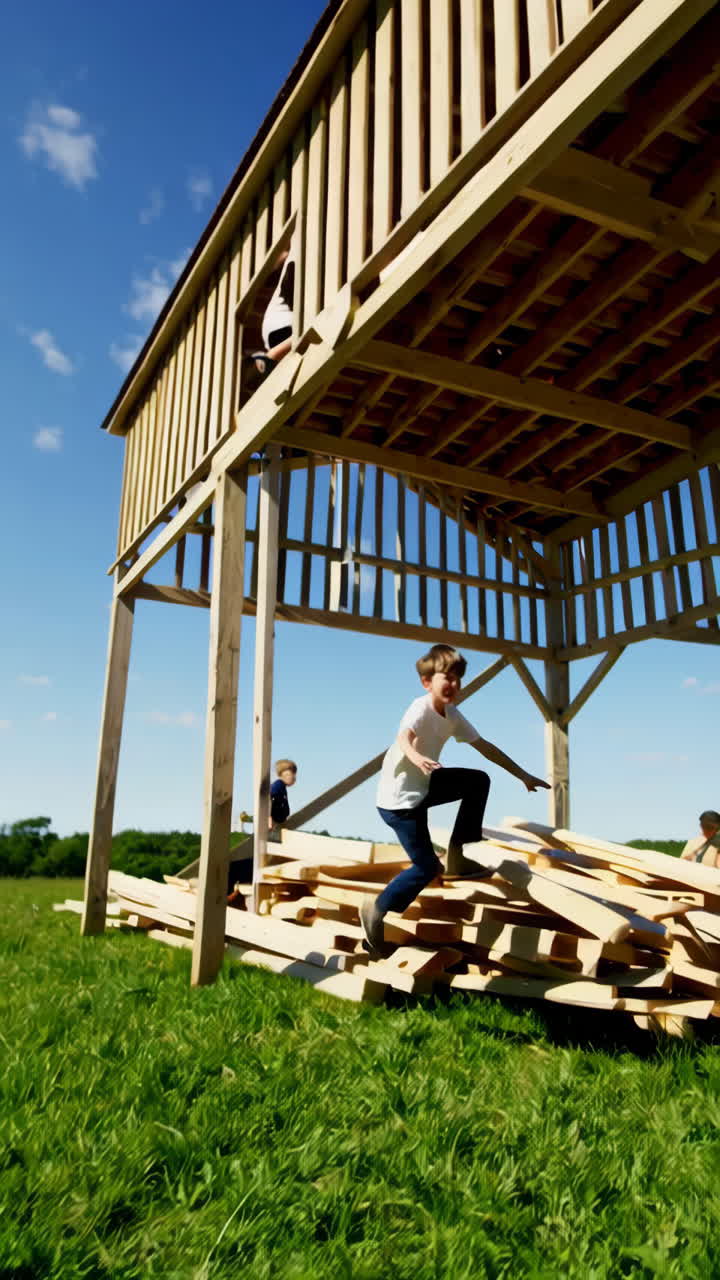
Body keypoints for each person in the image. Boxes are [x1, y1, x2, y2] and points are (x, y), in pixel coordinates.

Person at [359, 644, 550, 954]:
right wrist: (417, 756)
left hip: (424, 785)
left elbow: (485, 747)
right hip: (400, 804)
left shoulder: (452, 715)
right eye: (446, 677)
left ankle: (459, 857)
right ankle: (377, 911)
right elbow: (403, 737)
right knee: (426, 868)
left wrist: (523, 775)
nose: (454, 685)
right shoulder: (419, 708)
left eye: (458, 679)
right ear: (426, 682)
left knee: (477, 780)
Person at [250, 245, 295, 378]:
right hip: (284, 323)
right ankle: (271, 357)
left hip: (273, 330)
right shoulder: (294, 261)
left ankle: (273, 357)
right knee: (306, 332)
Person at [269, 758, 298, 841]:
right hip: (274, 825)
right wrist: (269, 817)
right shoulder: (278, 785)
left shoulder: (282, 787)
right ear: (286, 774)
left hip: (278, 824)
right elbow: (269, 798)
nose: (295, 778)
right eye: (293, 774)